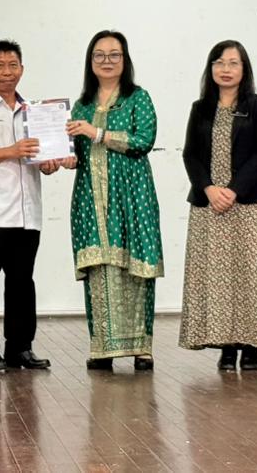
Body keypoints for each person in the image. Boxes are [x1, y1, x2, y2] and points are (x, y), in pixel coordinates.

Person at [0, 40, 74, 372]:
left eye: (13, 65)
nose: (7, 72)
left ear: (22, 69)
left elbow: (41, 159)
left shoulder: (36, 112)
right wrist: (12, 150)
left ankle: (20, 347)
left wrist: (49, 163)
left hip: (28, 211)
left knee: (22, 281)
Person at [179, 40, 257, 371]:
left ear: (244, 69)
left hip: (248, 203)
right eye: (219, 62)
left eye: (233, 63)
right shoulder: (200, 108)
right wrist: (209, 189)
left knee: (250, 276)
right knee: (217, 279)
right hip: (209, 204)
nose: (225, 69)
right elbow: (190, 154)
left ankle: (251, 345)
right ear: (210, 69)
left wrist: (232, 190)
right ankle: (226, 346)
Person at [65, 30, 163, 371]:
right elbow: (77, 153)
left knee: (135, 269)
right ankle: (102, 348)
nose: (106, 61)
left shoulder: (138, 98)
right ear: (90, 61)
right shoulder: (82, 105)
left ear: (125, 60)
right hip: (91, 199)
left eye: (114, 54)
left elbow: (143, 140)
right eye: (99, 55)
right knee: (100, 268)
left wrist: (97, 133)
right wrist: (62, 158)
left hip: (132, 195)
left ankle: (142, 349)